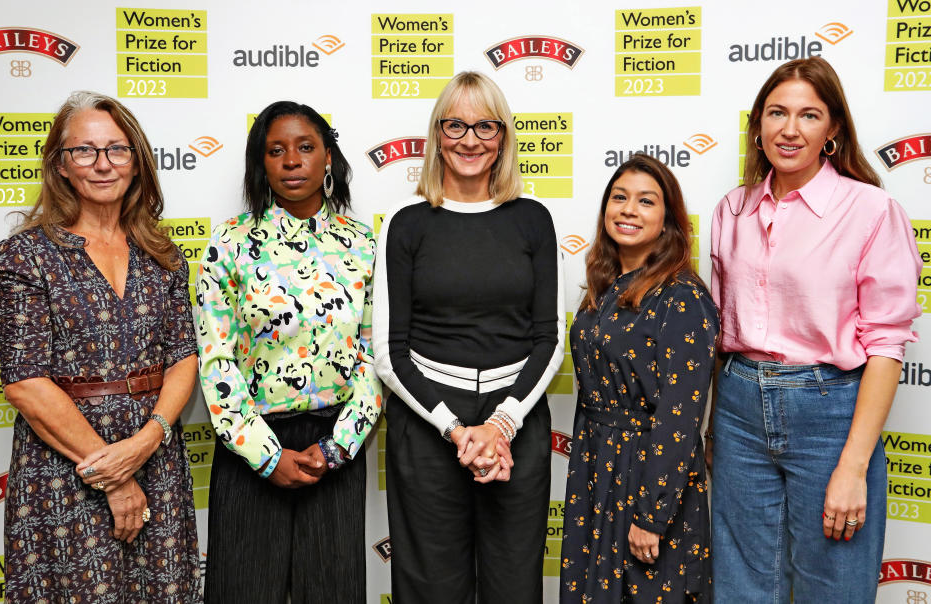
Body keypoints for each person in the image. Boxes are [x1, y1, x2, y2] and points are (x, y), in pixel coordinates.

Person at [708, 56, 921, 603]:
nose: (790, 128)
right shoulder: (731, 211)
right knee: (741, 588)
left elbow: (886, 344)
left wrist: (853, 466)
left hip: (830, 414)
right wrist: (713, 425)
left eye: (809, 115)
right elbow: (718, 332)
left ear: (833, 131)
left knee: (835, 590)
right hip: (737, 408)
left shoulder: (871, 210)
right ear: (757, 125)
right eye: (777, 112)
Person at [0, 91, 201, 602]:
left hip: (158, 465)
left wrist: (148, 441)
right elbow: (26, 384)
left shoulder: (163, 255)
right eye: (84, 151)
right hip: (64, 474)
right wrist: (114, 477)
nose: (102, 165)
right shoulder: (24, 256)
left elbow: (184, 359)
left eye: (117, 150)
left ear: (137, 160)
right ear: (60, 165)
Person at [372, 70, 564, 603]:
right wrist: (457, 430)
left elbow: (549, 340)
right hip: (429, 424)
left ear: (503, 137)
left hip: (516, 422)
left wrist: (502, 424)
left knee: (513, 585)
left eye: (485, 126)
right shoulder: (406, 225)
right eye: (455, 125)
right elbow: (389, 352)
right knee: (432, 588)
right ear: (437, 134)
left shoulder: (534, 221)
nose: (470, 140)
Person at [195, 101, 382, 604]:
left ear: (328, 158)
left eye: (305, 147)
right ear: (261, 163)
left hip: (334, 450)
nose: (292, 161)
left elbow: (374, 356)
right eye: (276, 151)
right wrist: (265, 455)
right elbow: (217, 360)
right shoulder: (228, 244)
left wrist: (338, 447)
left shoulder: (364, 245)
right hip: (249, 451)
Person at [559, 154, 717, 603]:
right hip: (596, 469)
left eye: (646, 201)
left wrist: (651, 515)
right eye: (619, 197)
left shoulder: (682, 298)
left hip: (649, 474)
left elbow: (680, 417)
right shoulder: (605, 286)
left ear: (668, 221)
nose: (628, 209)